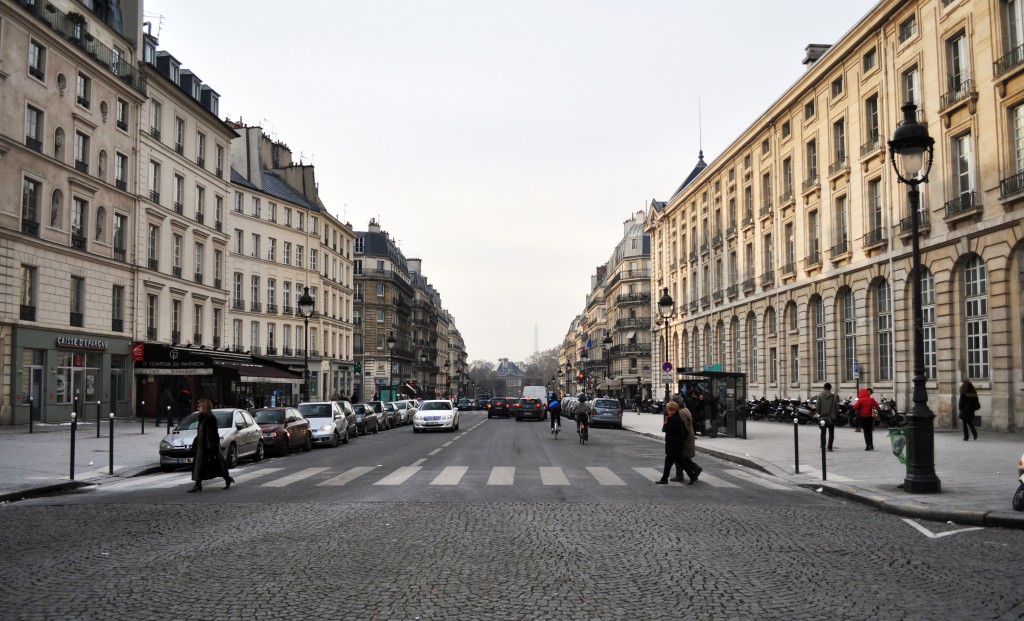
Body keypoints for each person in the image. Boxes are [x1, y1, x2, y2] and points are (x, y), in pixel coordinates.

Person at [188, 399, 234, 493]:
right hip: (201, 446)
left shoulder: (210, 418)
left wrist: (212, 448)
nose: (198, 408)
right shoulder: (201, 417)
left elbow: (213, 434)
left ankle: (227, 478)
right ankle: (198, 484)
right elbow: (201, 433)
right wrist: (196, 442)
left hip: (209, 446)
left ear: (204, 407)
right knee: (200, 465)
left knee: (216, 465)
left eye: (199, 406)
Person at [657, 401, 702, 484]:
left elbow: (666, 429)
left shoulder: (674, 419)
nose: (667, 411)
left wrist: (666, 421)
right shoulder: (677, 417)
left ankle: (664, 479)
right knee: (681, 462)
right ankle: (692, 476)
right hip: (676, 445)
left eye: (669, 410)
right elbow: (685, 432)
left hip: (674, 445)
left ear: (673, 410)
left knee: (670, 463)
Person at [816, 382, 839, 452]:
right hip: (831, 417)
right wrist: (835, 415)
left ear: (824, 388)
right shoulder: (834, 396)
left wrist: (819, 413)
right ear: (830, 389)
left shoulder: (819, 396)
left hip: (823, 417)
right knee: (831, 433)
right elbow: (837, 408)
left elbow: (818, 406)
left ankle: (823, 445)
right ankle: (829, 447)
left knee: (823, 432)